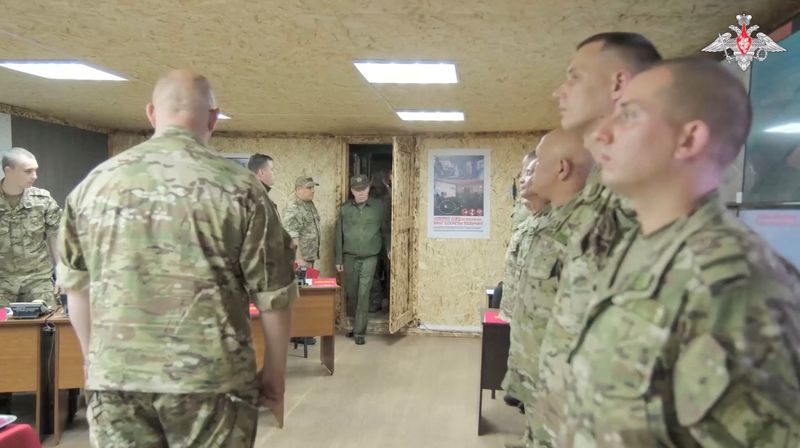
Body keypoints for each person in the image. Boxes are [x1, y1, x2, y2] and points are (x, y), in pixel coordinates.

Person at [563, 58, 800, 447]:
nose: (601, 134)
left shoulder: (734, 283)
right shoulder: (640, 245)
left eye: (630, 115)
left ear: (688, 139)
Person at [57, 70, 293, 447]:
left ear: (152, 113)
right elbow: (274, 294)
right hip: (212, 382)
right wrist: (275, 376)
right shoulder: (241, 188)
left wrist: (93, 361)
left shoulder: (94, 184)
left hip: (117, 380)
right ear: (213, 119)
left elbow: (76, 289)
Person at [528, 32, 661, 446]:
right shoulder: (601, 196)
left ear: (619, 84)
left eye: (574, 77)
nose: (558, 90)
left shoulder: (648, 196)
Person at [509, 129, 593, 448]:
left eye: (536, 162)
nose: (526, 174)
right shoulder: (548, 224)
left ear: (561, 169)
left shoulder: (582, 232)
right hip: (536, 359)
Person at [247, 153, 301, 349]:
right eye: (272, 169)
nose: (274, 174)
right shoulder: (253, 197)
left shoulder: (260, 196)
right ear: (261, 172)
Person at [0, 147, 61, 307]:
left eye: (35, 170)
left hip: (38, 282)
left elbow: (56, 237)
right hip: (2, 285)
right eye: (28, 171)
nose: (34, 176)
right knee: (3, 329)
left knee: (45, 327)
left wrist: (62, 271)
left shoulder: (42, 200)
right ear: (9, 171)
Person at [335, 174, 389, 345]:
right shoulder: (344, 209)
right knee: (352, 293)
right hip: (349, 257)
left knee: (364, 292)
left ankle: (359, 332)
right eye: (357, 190)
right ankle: (357, 325)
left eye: (364, 189)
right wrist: (339, 259)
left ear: (369, 188)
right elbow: (338, 236)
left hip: (370, 257)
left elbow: (385, 229)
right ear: (352, 190)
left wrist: (389, 248)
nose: (361, 193)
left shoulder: (378, 207)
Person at [282, 176, 321, 268]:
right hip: (300, 260)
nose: (313, 191)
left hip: (310, 257)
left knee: (309, 281)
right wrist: (298, 258)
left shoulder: (309, 204)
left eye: (313, 188)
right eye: (309, 188)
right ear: (298, 189)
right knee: (302, 282)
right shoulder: (293, 207)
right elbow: (291, 235)